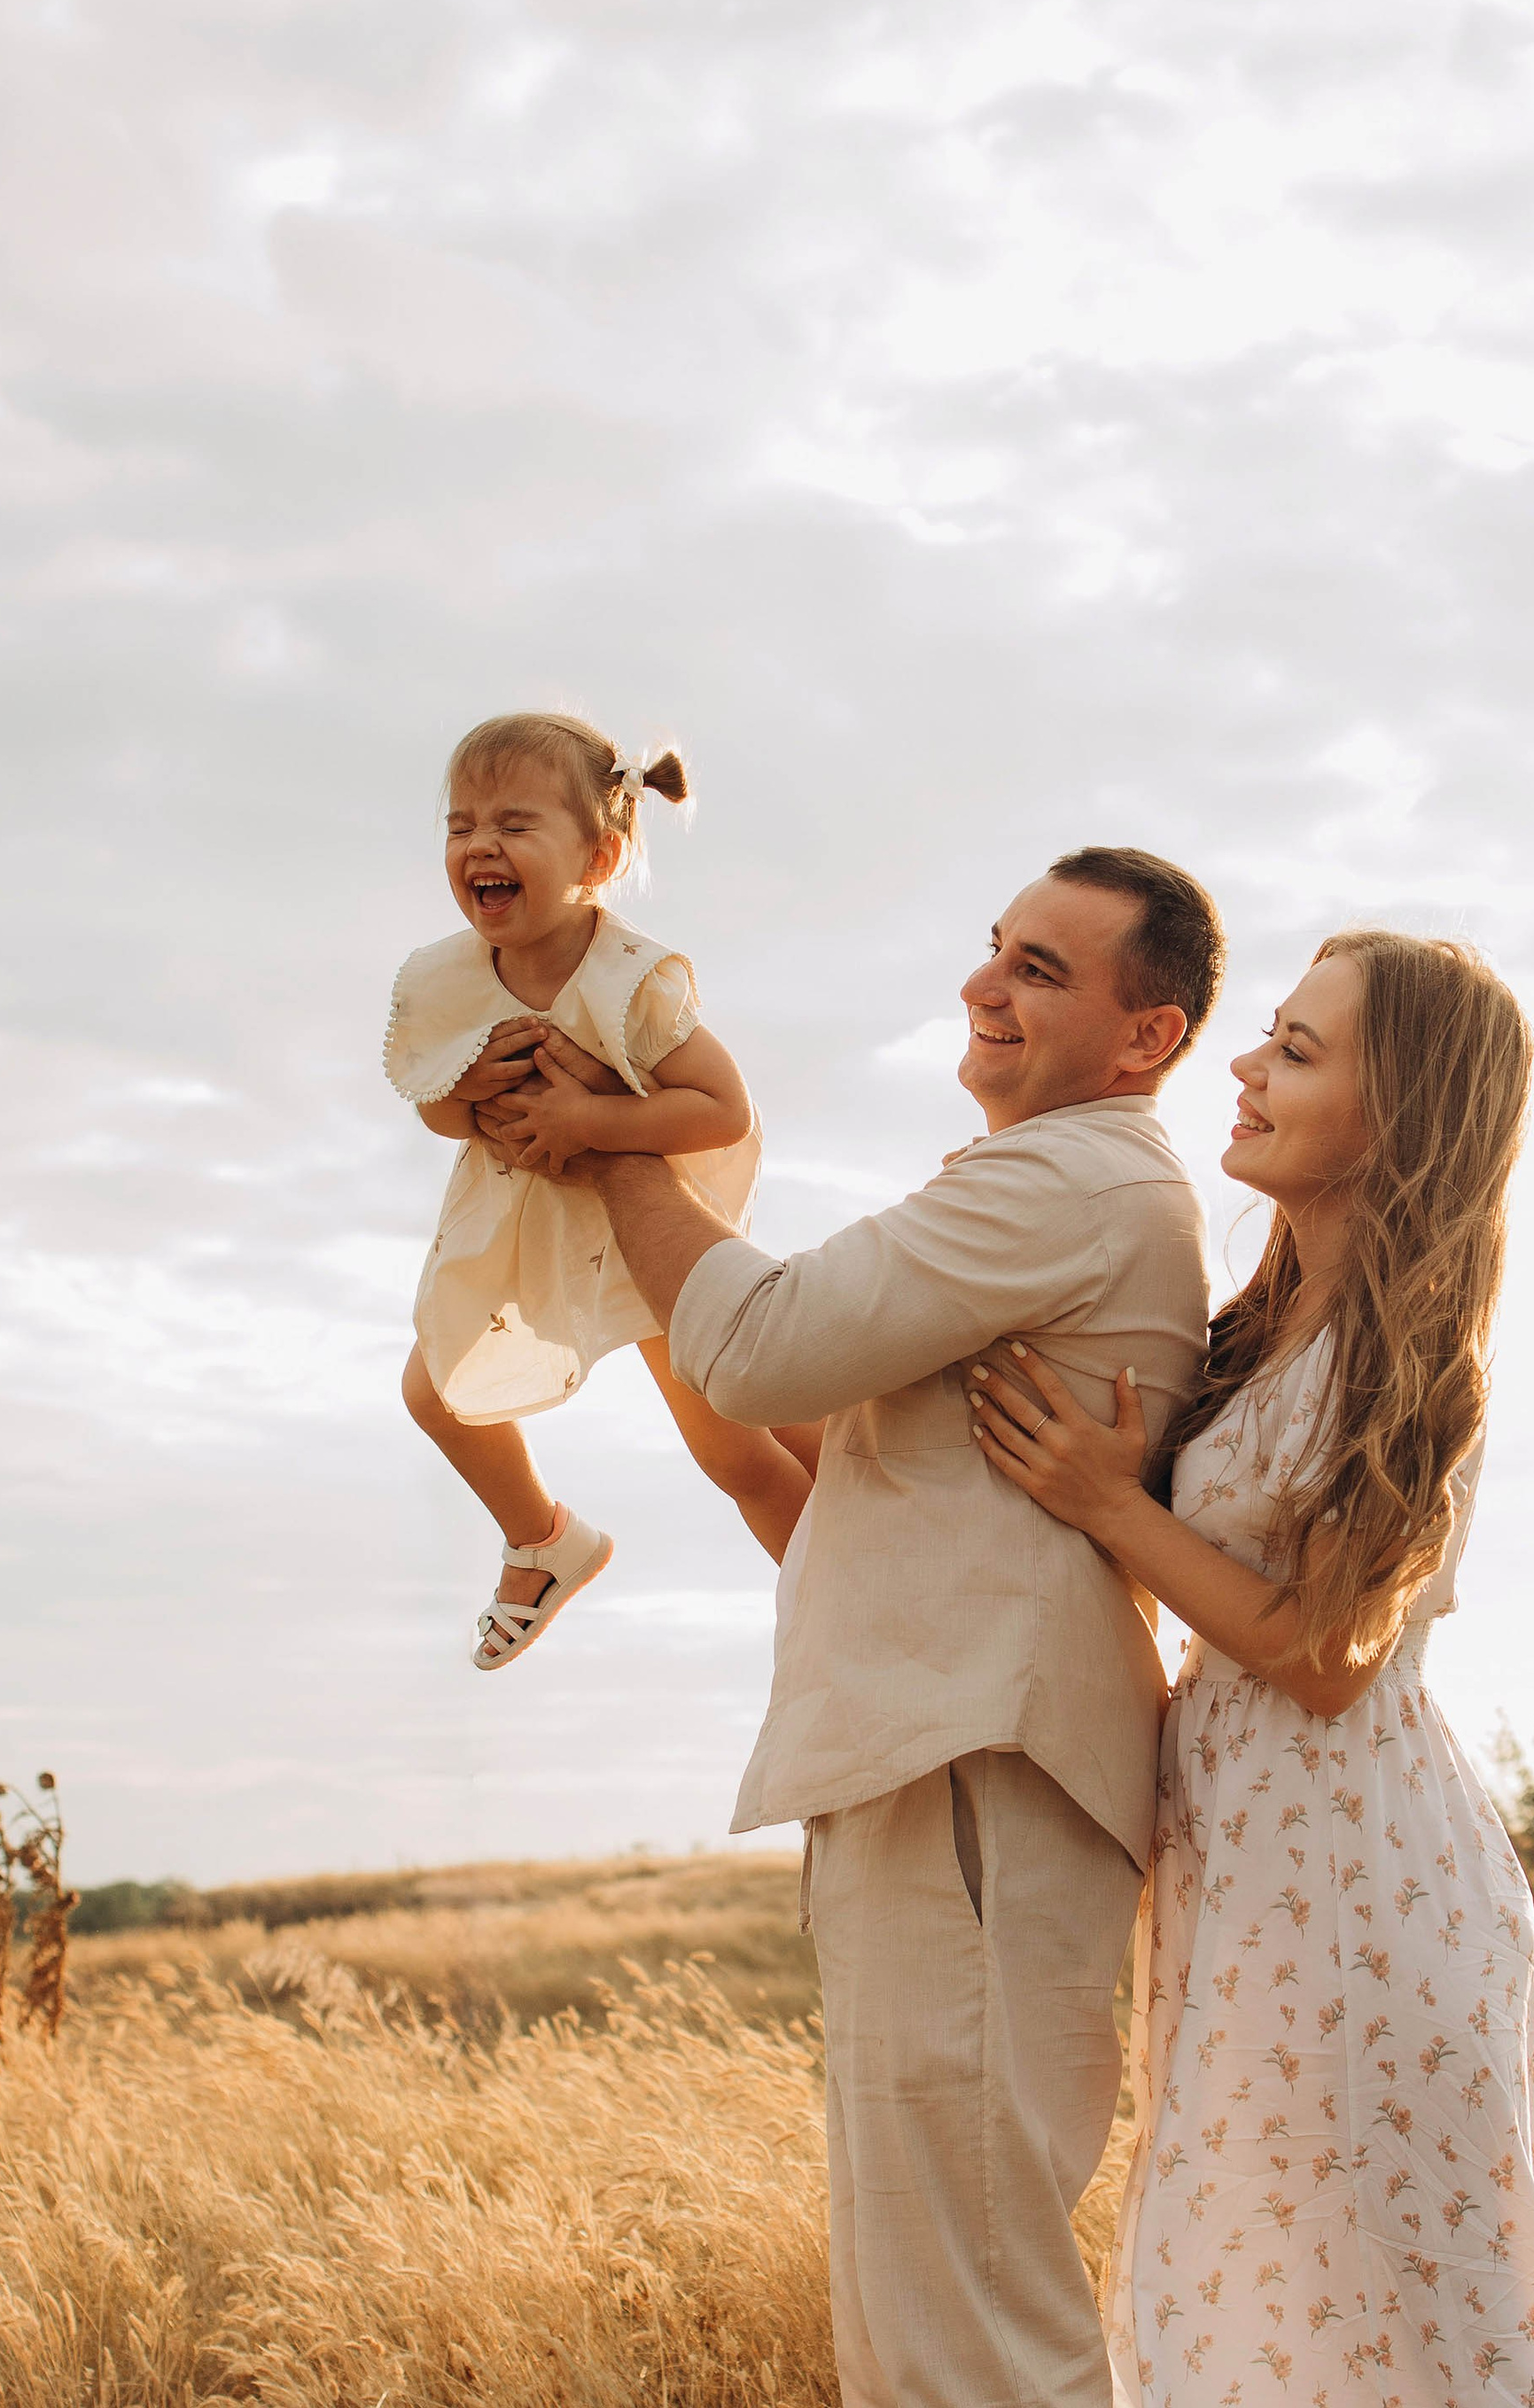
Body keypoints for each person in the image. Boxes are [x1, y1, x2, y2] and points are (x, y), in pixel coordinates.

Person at [499, 847, 1221, 2408]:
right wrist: (644, 1239)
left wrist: (615, 1144)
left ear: (1148, 1035)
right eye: (995, 948)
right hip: (948, 1760)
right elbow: (824, 1450)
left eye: (1040, 969)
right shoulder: (1066, 1184)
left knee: (968, 2324)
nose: (983, 985)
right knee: (916, 2313)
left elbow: (766, 1348)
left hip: (974, 1765)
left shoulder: (1073, 1181)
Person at [969, 929, 1534, 2408]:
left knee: (1379, 2300)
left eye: (1299, 1051)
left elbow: (1325, 1656)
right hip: (1250, 1857)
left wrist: (1111, 1505)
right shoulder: (1256, 1329)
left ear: (1400, 1117)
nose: (1247, 1068)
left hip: (1359, 1868)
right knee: (1248, 2280)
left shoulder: (1417, 1356)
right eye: (1269, 1035)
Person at [387, 711, 817, 1672]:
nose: (480, 845)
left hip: (648, 1234)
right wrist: (466, 1088)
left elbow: (723, 1109)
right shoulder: (447, 981)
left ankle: (843, 1580)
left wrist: (591, 1121)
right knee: (435, 1390)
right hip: (528, 1225)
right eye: (460, 826)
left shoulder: (629, 982)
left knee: (735, 1445)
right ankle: (542, 1540)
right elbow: (435, 1111)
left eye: (514, 823)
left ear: (602, 854)